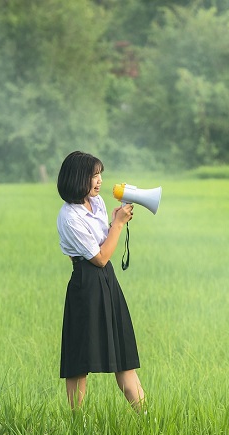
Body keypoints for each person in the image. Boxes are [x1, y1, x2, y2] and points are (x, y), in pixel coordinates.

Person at [56, 150, 145, 412]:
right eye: (93, 175)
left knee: (124, 356)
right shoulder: (69, 217)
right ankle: (77, 423)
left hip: (107, 282)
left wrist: (115, 222)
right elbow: (101, 257)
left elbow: (105, 245)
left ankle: (148, 420)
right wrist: (117, 225)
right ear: (77, 178)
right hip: (86, 283)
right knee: (79, 360)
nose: (99, 181)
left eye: (100, 175)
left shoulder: (97, 204)